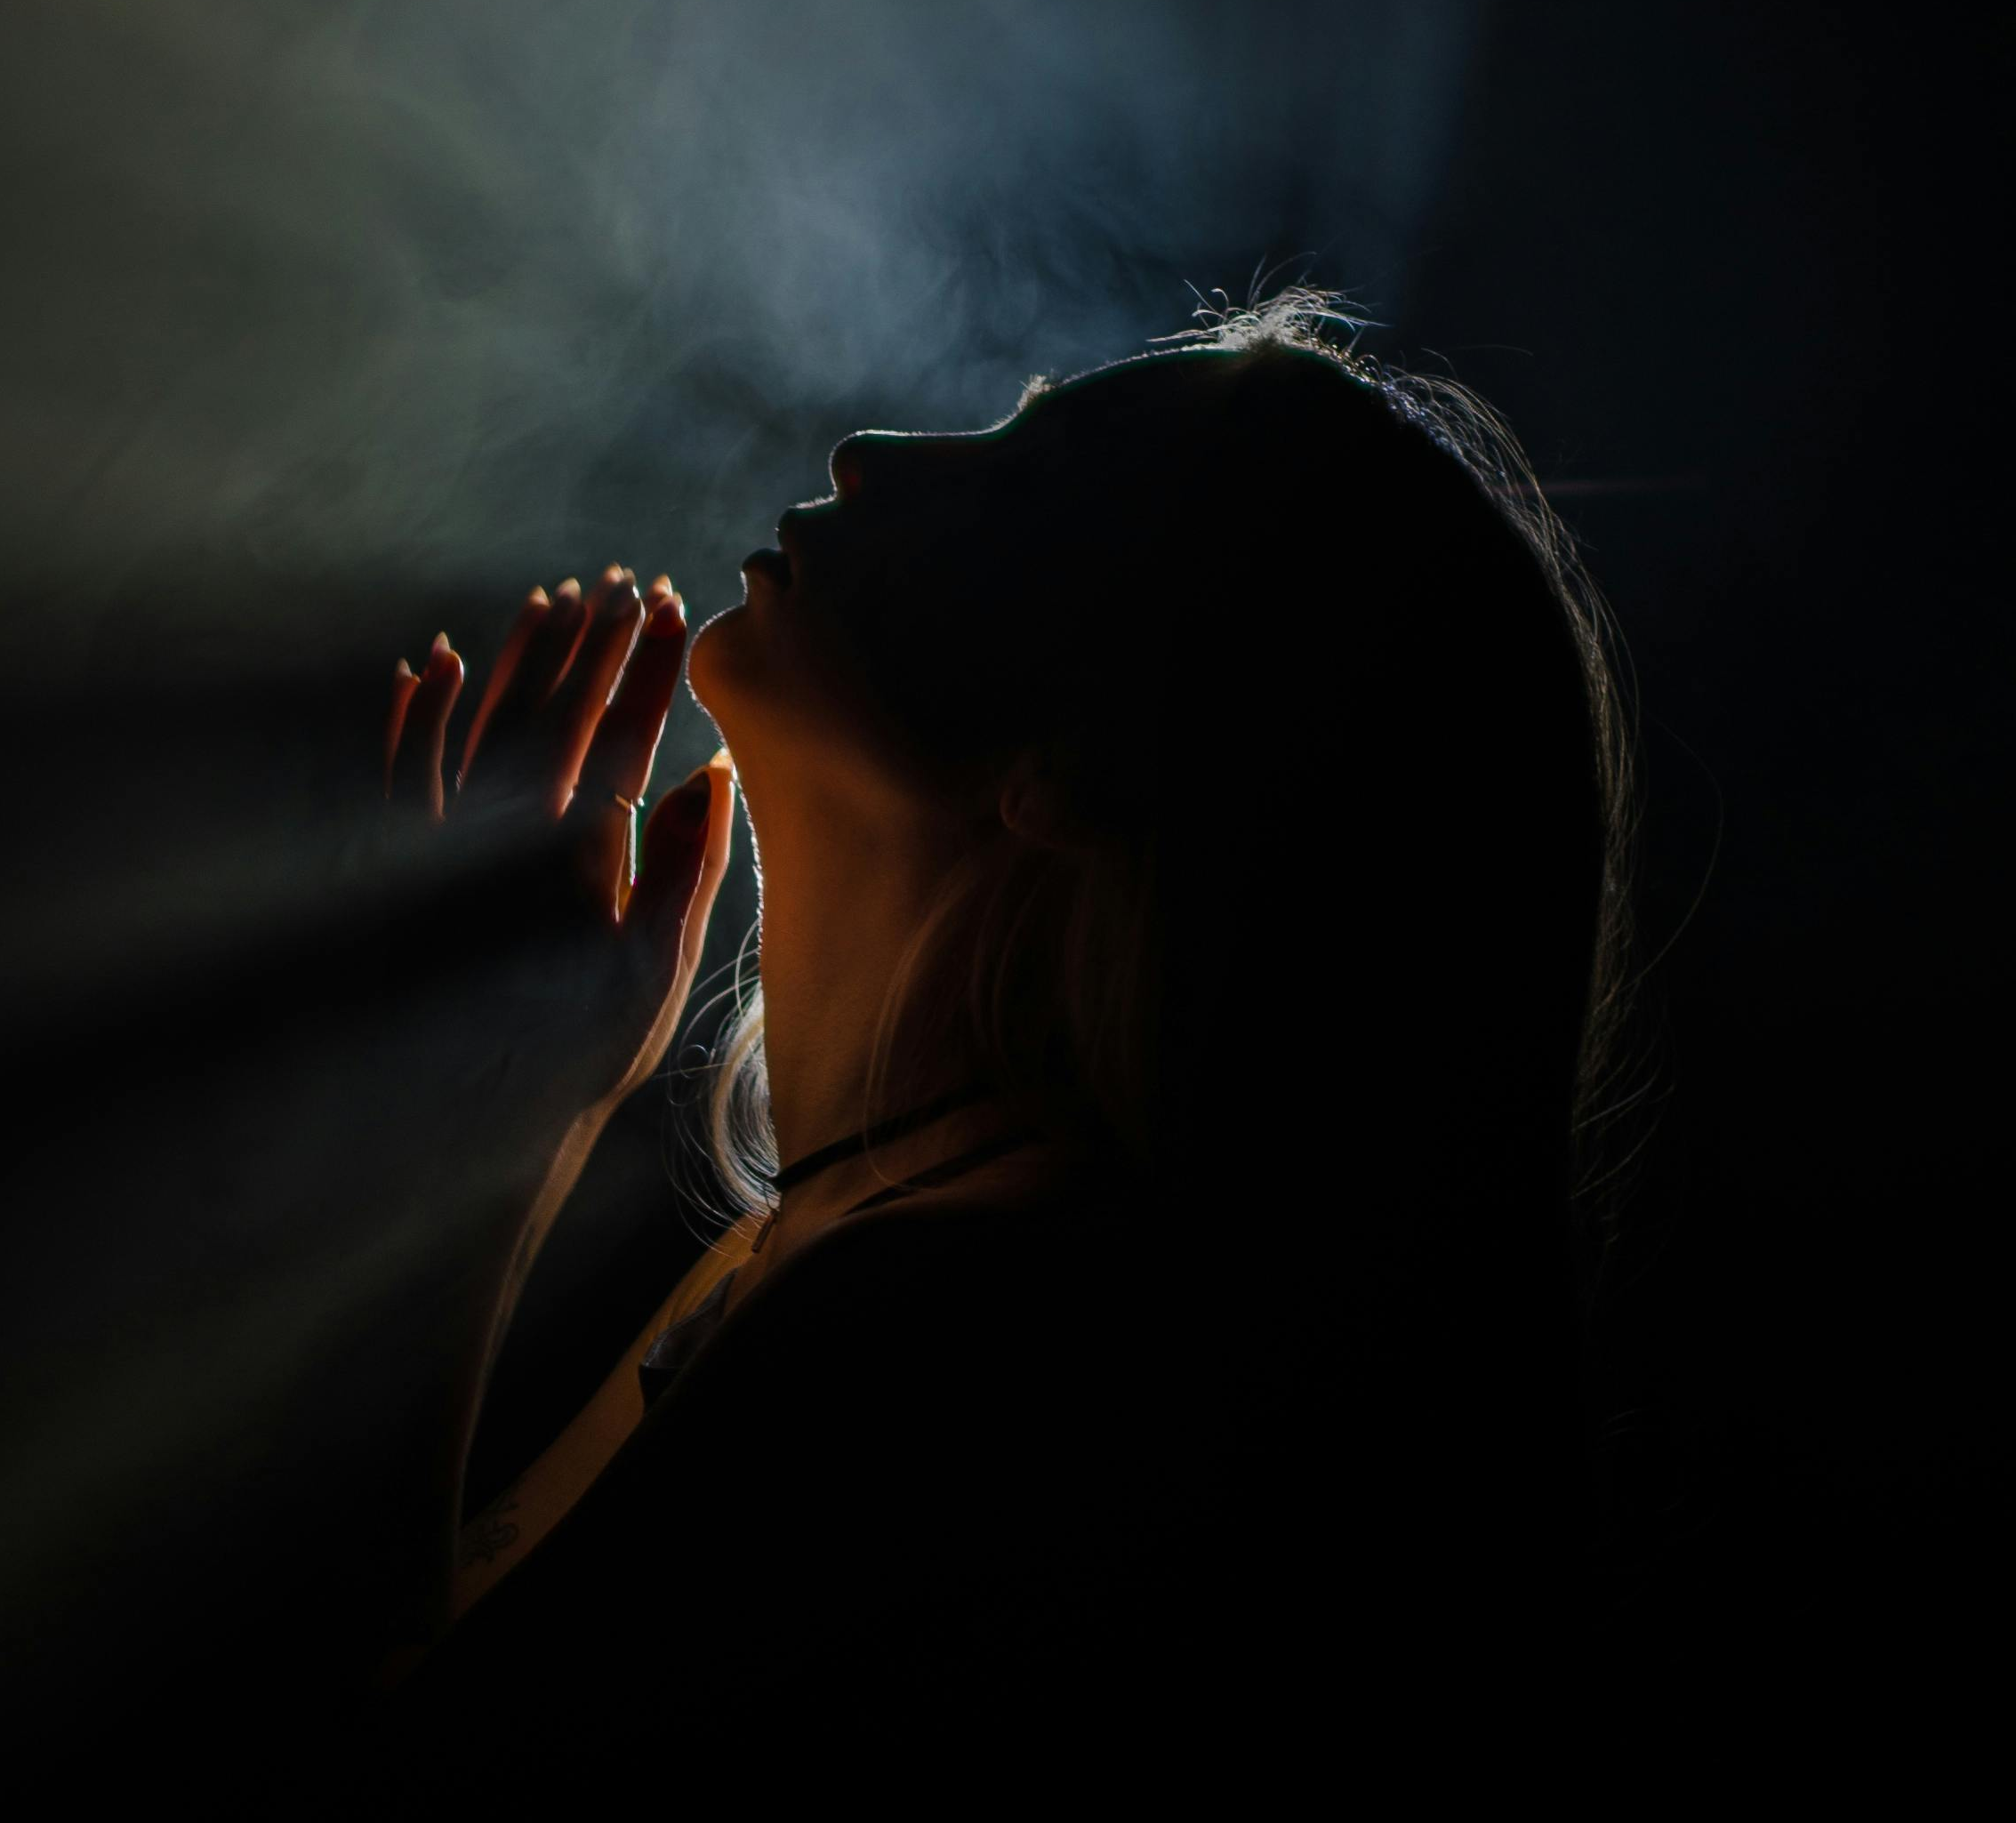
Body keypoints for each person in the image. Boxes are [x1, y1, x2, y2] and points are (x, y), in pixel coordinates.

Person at [345, 286, 1634, 1782]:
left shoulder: (938, 1328)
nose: (873, 454)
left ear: (1090, 760)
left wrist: (457, 1151)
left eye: (1025, 479)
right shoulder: (854, 1240)